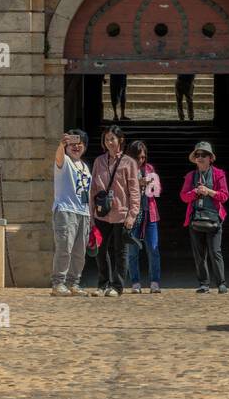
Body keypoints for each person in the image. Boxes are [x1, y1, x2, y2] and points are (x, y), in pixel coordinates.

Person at [90, 124, 140, 296]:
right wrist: (91, 214)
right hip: (102, 213)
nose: (109, 142)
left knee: (121, 252)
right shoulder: (99, 161)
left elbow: (134, 191)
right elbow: (93, 190)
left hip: (121, 213)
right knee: (100, 249)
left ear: (120, 140)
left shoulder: (129, 163)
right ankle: (102, 283)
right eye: (106, 139)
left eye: (112, 139)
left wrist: (132, 215)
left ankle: (117, 286)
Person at [180, 141, 229, 294]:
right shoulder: (191, 176)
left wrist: (209, 192)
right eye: (198, 155)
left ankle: (221, 282)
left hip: (214, 218)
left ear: (210, 158)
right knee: (199, 254)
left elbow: (224, 196)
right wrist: (195, 192)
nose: (200, 158)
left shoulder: (218, 174)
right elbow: (183, 197)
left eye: (204, 155)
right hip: (196, 218)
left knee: (215, 251)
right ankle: (204, 283)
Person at [51, 129, 92, 297]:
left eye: (79, 144)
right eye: (72, 144)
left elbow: (87, 192)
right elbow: (59, 157)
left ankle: (73, 283)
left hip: (83, 212)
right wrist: (61, 144)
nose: (76, 147)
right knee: (64, 249)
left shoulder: (85, 167)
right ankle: (58, 283)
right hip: (65, 210)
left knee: (79, 253)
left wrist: (91, 216)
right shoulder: (64, 161)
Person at [126, 140, 163, 295]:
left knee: (153, 249)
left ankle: (155, 282)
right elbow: (122, 192)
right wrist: (137, 184)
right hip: (132, 216)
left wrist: (152, 185)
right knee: (132, 251)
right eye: (137, 157)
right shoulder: (125, 169)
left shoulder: (149, 169)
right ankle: (135, 282)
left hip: (150, 214)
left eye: (142, 157)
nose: (140, 160)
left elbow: (157, 192)